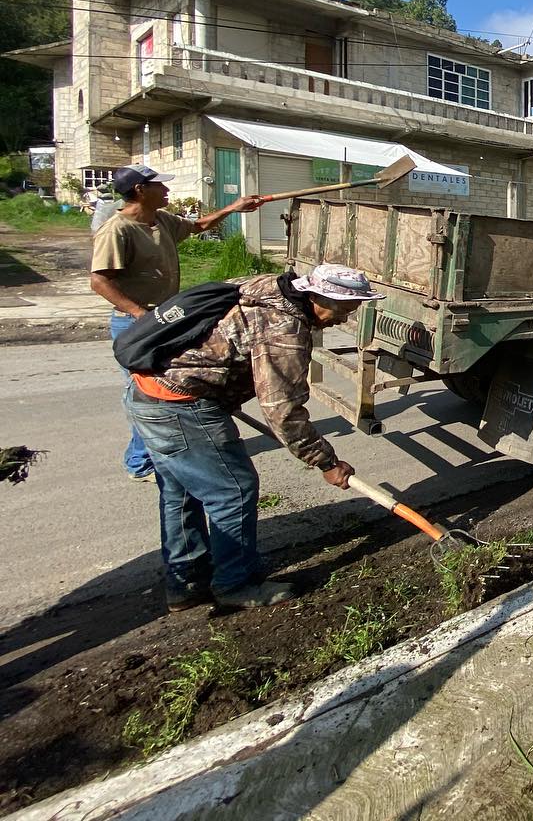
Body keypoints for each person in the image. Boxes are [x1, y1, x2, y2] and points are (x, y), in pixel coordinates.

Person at [122, 263, 377, 610]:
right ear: (318, 297)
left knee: (181, 491)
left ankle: (186, 583)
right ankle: (235, 584)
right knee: (234, 490)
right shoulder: (285, 329)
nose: (343, 319)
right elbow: (283, 411)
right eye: (344, 309)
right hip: (179, 405)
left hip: (148, 391)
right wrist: (326, 462)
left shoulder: (266, 287)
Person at [91, 165, 263, 481]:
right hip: (137, 324)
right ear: (141, 190)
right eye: (161, 186)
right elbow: (100, 281)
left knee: (164, 386)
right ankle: (141, 462)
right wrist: (140, 314)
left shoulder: (161, 221)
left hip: (163, 320)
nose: (168, 191)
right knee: (147, 391)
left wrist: (235, 207)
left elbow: (197, 225)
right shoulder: (117, 231)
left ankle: (147, 456)